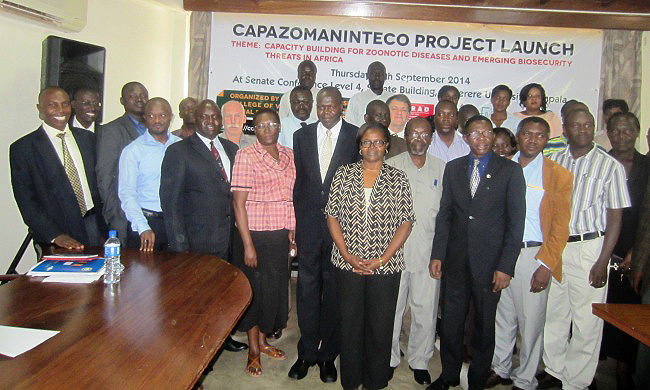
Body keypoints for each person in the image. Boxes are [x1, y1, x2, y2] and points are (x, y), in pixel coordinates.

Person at [428, 115, 526, 390]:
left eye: (486, 133)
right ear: (466, 138)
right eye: (475, 133)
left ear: (493, 137)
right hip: (455, 261)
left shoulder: (510, 170)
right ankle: (448, 375)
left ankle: (478, 380)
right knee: (451, 323)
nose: (481, 138)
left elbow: (515, 224)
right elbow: (445, 214)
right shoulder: (454, 168)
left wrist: (506, 266)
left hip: (490, 264)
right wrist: (438, 254)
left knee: (483, 326)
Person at [538, 109, 631, 390]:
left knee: (586, 319)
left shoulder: (609, 165)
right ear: (565, 129)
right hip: (557, 245)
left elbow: (616, 216)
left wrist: (603, 260)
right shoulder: (554, 160)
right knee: (555, 313)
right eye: (576, 125)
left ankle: (576, 381)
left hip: (590, 247)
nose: (582, 129)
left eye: (588, 125)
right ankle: (554, 370)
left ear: (593, 128)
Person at [326, 122, 415, 390]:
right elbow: (332, 215)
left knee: (380, 326)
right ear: (359, 146)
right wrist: (346, 254)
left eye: (378, 142)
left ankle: (376, 381)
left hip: (385, 267)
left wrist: (382, 259)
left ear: (387, 145)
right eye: (366, 142)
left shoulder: (398, 178)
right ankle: (351, 381)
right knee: (350, 325)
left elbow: (406, 222)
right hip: (347, 263)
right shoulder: (343, 175)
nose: (372, 147)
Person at [486, 117, 573, 390]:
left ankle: (525, 378)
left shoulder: (557, 174)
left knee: (532, 323)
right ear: (518, 138)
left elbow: (560, 225)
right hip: (502, 254)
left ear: (546, 140)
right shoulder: (502, 167)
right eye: (527, 134)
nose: (533, 139)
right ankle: (500, 368)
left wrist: (547, 264)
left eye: (539, 135)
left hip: (534, 255)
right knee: (503, 315)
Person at [160, 99, 247, 353]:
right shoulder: (178, 152)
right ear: (195, 121)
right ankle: (199, 343)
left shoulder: (232, 149)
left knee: (225, 293)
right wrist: (179, 245)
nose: (211, 122)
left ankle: (224, 336)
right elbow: (171, 202)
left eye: (214, 117)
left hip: (230, 239)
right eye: (205, 117)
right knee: (199, 298)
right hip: (197, 241)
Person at [289, 87, 359, 383]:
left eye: (332, 106)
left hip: (340, 229)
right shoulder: (301, 137)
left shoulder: (355, 135)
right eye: (322, 106)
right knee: (306, 289)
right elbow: (301, 183)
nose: (326, 110)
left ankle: (329, 354)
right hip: (307, 226)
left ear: (341, 106)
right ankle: (307, 352)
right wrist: (295, 225)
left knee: (333, 292)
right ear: (317, 107)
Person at [231, 108, 296, 377]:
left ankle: (264, 342)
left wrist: (292, 229)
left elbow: (290, 196)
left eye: (272, 123)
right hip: (255, 236)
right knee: (255, 295)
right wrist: (247, 245)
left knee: (273, 294)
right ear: (253, 129)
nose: (267, 128)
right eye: (260, 125)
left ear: (279, 126)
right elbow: (238, 204)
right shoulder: (246, 156)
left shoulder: (290, 156)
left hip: (279, 236)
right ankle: (253, 351)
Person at [387, 117, 445, 385]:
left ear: (430, 138)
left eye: (424, 134)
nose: (418, 139)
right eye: (413, 134)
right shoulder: (390, 167)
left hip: (428, 253)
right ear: (406, 137)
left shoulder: (443, 170)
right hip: (394, 253)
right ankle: (388, 358)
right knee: (391, 309)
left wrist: (441, 254)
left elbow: (447, 217)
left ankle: (420, 360)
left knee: (425, 310)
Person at [10, 86, 105, 249]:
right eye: (52, 105)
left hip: (95, 225)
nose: (60, 110)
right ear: (40, 108)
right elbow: (26, 200)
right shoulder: (24, 148)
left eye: (65, 104)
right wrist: (54, 235)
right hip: (59, 233)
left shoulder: (88, 139)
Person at [601, 112, 647, 390]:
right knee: (604, 311)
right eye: (615, 131)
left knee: (631, 315)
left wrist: (635, 252)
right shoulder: (600, 162)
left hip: (637, 253)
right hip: (602, 249)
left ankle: (623, 368)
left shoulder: (647, 166)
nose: (621, 136)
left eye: (627, 130)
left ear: (637, 131)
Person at [118, 97, 180, 252]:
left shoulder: (181, 147)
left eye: (162, 115)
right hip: (147, 224)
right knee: (144, 275)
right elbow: (127, 194)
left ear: (171, 117)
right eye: (151, 116)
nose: (157, 120)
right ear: (145, 118)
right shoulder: (133, 151)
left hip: (176, 224)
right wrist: (142, 226)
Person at [96, 81, 149, 242]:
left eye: (143, 95)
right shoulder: (111, 131)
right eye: (132, 96)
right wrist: (115, 215)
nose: (139, 99)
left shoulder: (155, 130)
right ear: (122, 101)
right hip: (124, 216)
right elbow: (105, 176)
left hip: (152, 215)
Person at [345, 61, 393, 127]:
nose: (377, 77)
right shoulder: (356, 99)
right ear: (367, 76)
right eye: (373, 74)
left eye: (380, 74)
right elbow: (349, 126)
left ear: (385, 77)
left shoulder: (393, 99)